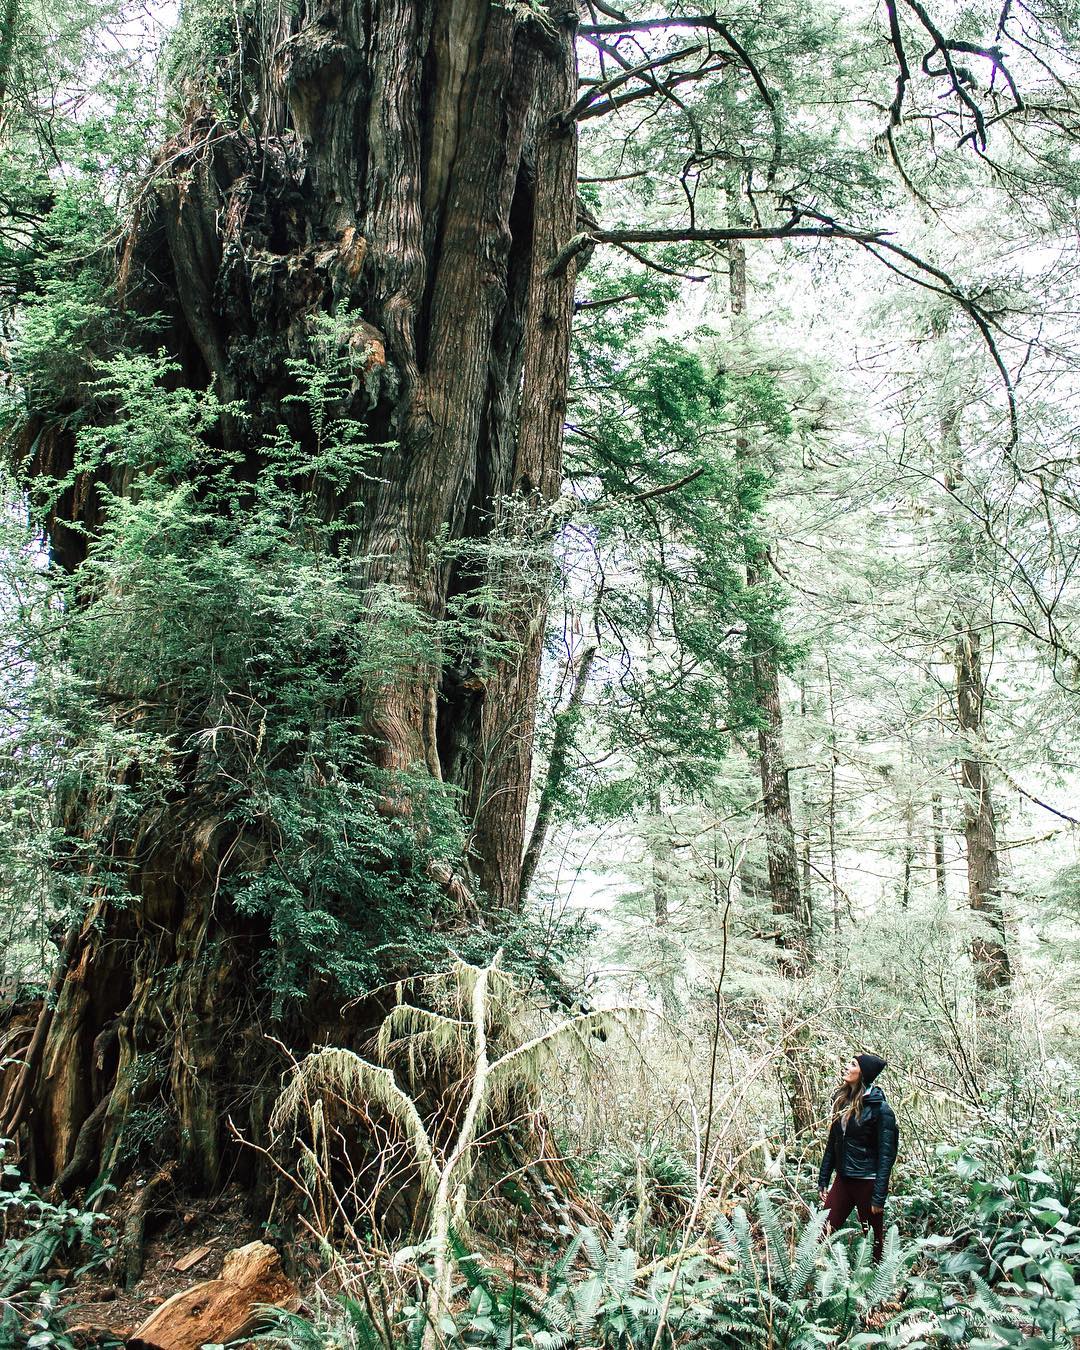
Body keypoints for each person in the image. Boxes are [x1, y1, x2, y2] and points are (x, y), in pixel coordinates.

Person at [817, 1052, 898, 1260]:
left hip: (867, 1183)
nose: (847, 1067)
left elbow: (886, 1155)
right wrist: (824, 1178)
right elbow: (833, 1144)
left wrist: (879, 1196)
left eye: (853, 1064)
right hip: (843, 1180)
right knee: (820, 1233)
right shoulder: (842, 1101)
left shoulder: (881, 1109)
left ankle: (881, 1286)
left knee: (875, 1242)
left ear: (863, 1073)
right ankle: (809, 1280)